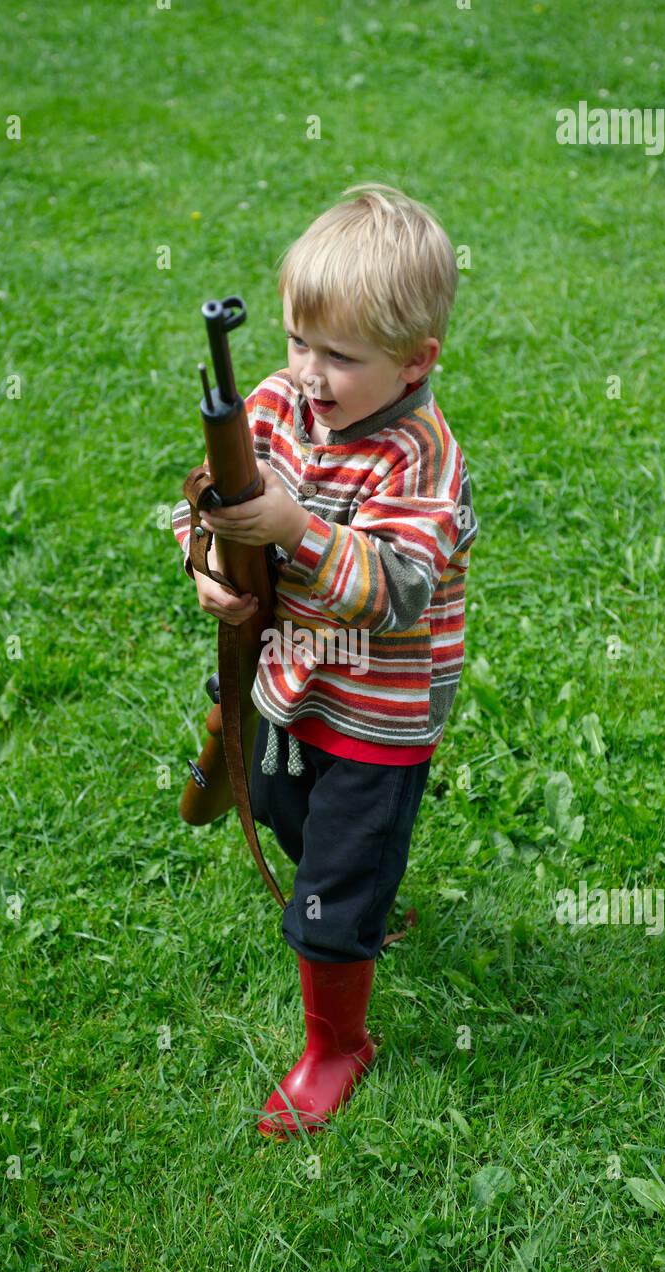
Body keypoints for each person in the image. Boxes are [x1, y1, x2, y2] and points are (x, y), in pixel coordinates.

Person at [172, 184, 477, 1138]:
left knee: (332, 887)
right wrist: (205, 565)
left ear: (415, 361)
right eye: (299, 341)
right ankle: (354, 897)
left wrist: (296, 531)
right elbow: (205, 501)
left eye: (340, 356)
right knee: (279, 807)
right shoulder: (270, 404)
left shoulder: (419, 457)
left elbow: (396, 590)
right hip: (288, 684)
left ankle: (336, 1045)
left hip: (378, 712)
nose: (307, 372)